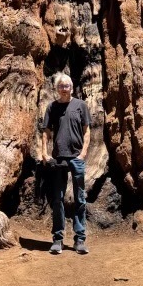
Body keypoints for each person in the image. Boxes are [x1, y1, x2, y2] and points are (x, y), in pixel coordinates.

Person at [41, 73, 91, 255]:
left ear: (72, 87)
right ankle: (58, 239)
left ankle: (80, 239)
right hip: (59, 159)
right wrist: (44, 152)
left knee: (80, 198)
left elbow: (87, 131)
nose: (64, 89)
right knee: (57, 199)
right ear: (57, 88)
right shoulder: (52, 107)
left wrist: (83, 153)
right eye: (61, 86)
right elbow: (46, 131)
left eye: (67, 86)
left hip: (76, 158)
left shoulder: (81, 106)